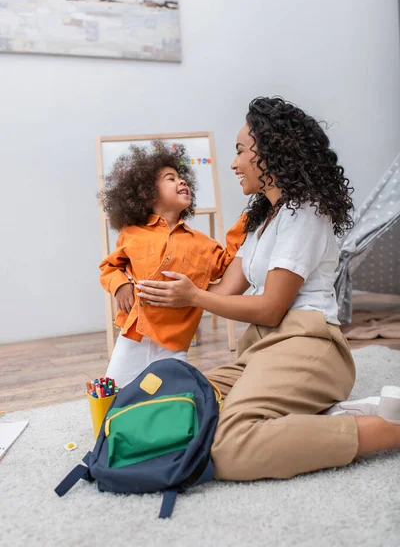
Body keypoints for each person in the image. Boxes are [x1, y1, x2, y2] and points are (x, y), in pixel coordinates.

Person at [135, 97, 400, 481]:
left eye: (241, 151)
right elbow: (224, 292)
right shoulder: (262, 220)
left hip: (308, 343)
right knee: (176, 404)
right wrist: (166, 279)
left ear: (273, 153)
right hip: (261, 349)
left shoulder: (304, 212)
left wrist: (193, 296)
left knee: (231, 447)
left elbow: (272, 308)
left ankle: (389, 431)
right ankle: (311, 414)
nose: (233, 163)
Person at [98, 141, 245, 387]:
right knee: (115, 396)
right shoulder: (131, 233)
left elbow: (227, 263)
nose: (181, 182)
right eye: (170, 178)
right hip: (134, 336)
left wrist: (245, 225)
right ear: (147, 193)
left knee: (175, 398)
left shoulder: (203, 244)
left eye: (182, 178)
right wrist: (120, 286)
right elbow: (110, 267)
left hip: (175, 342)